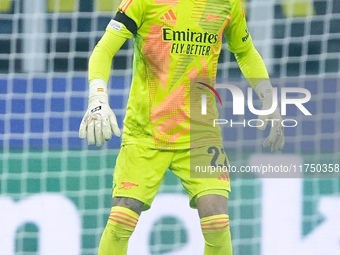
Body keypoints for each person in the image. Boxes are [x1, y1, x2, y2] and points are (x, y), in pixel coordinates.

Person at [79, 0, 285, 253]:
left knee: (217, 220)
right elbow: (104, 49)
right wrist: (97, 96)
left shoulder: (228, 4)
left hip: (201, 133)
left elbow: (246, 51)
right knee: (123, 215)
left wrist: (267, 96)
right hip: (146, 133)